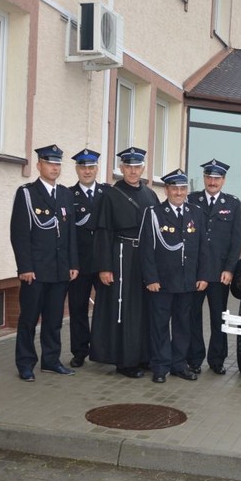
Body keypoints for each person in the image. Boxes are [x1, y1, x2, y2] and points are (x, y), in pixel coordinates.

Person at [9, 144, 79, 381]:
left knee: (54, 320)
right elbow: (19, 233)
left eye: (58, 164)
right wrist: (25, 267)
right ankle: (26, 363)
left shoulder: (66, 195)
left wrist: (73, 263)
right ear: (39, 165)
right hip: (36, 271)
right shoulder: (27, 193)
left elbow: (70, 234)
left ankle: (51, 360)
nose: (54, 168)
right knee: (29, 319)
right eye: (50, 163)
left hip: (59, 270)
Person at [90, 147, 160, 378]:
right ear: (121, 168)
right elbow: (102, 233)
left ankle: (143, 356)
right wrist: (104, 267)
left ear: (143, 168)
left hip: (145, 258)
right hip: (121, 256)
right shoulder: (110, 195)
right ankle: (124, 360)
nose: (133, 171)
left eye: (137, 166)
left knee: (144, 308)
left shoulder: (150, 195)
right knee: (124, 308)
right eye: (128, 166)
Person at [141, 169, 208, 383]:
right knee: (160, 325)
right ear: (167, 189)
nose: (178, 193)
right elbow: (146, 249)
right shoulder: (153, 213)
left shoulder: (196, 213)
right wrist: (151, 278)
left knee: (182, 325)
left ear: (186, 190)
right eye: (174, 188)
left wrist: (203, 275)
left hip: (188, 281)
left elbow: (202, 248)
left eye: (182, 188)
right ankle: (160, 366)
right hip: (162, 282)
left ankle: (179, 364)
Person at [187, 160, 241, 375]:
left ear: (223, 180)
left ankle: (217, 360)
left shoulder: (232, 203)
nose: (212, 182)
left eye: (217, 178)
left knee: (218, 317)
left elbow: (236, 239)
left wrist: (229, 269)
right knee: (193, 316)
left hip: (220, 273)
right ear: (204, 178)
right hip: (195, 272)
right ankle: (193, 359)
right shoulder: (192, 200)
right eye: (209, 177)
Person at [67, 148, 109, 368]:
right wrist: (71, 262)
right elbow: (67, 234)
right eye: (83, 167)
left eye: (91, 167)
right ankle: (80, 351)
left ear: (97, 169)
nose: (87, 171)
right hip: (79, 263)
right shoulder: (67, 195)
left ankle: (103, 349)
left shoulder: (107, 193)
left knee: (105, 308)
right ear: (76, 169)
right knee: (78, 308)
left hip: (103, 263)